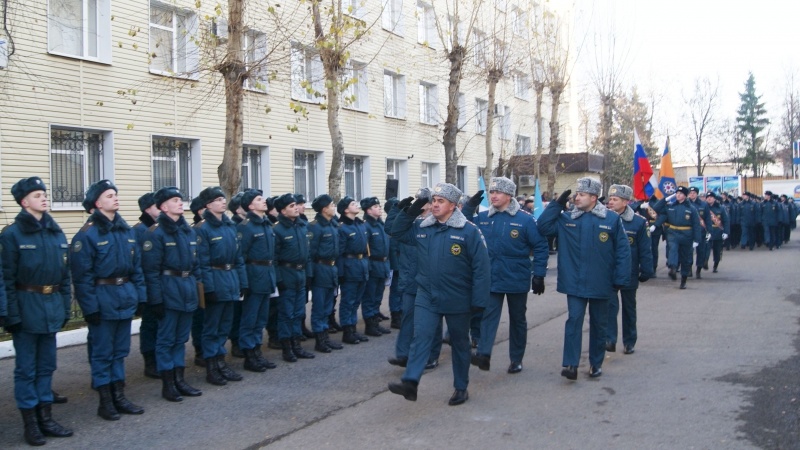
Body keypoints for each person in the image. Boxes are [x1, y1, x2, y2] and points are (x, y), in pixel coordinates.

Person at [388, 183, 490, 406]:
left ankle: (461, 387)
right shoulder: (423, 227)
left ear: (453, 205)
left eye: (440, 201)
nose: (434, 204)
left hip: (458, 297)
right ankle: (411, 382)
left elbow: (481, 270)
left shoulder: (469, 231)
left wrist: (479, 303)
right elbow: (396, 231)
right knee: (421, 337)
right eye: (433, 200)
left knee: (460, 344)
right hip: (426, 295)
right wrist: (414, 209)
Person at [1, 177, 73, 445]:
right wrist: (10, 314)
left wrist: (65, 306)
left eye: (44, 194)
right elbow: (5, 278)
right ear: (24, 202)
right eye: (37, 195)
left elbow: (64, 277)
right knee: (26, 369)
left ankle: (46, 417)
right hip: (26, 307)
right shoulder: (12, 235)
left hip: (51, 306)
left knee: (46, 367)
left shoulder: (55, 232)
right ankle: (30, 423)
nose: (44, 198)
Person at [537, 177, 631, 380]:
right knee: (574, 320)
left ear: (594, 197)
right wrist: (556, 204)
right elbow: (543, 227)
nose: (576, 198)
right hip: (574, 281)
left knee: (599, 324)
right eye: (576, 194)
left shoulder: (611, 219)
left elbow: (623, 251)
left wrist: (620, 279)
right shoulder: (567, 218)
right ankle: (570, 364)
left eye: (581, 195)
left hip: (601, 281)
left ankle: (595, 363)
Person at [71, 180, 146, 420]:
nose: (115, 198)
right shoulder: (87, 235)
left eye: (116, 194)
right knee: (103, 353)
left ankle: (119, 396)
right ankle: (105, 401)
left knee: (120, 351)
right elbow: (82, 277)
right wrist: (90, 308)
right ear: (97, 203)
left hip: (124, 295)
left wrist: (140, 297)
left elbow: (137, 269)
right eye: (109, 195)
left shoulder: (126, 231)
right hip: (103, 299)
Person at [462, 177, 549, 374]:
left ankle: (516, 359)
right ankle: (484, 354)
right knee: (488, 316)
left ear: (509, 195)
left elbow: (541, 246)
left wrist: (539, 274)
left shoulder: (525, 219)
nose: (493, 196)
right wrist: (470, 206)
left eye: (498, 192)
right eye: (491, 192)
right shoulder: (484, 218)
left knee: (517, 319)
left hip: (516, 277)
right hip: (492, 277)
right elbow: (463, 224)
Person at [141, 186, 203, 402]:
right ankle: (168, 384)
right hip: (169, 290)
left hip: (187, 288)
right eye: (175, 200)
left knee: (180, 338)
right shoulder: (156, 233)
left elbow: (195, 265)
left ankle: (180, 379)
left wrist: (197, 287)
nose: (180, 203)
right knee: (166, 339)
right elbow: (151, 271)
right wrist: (155, 299)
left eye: (180, 199)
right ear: (164, 207)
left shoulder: (188, 231)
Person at [195, 186, 248, 384]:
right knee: (212, 327)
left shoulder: (229, 227)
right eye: (217, 199)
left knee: (224, 326)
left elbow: (238, 257)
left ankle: (221, 363)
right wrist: (208, 289)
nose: (222, 202)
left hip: (230, 279)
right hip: (215, 280)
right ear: (208, 205)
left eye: (222, 198)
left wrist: (242, 282)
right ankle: (211, 366)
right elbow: (202, 262)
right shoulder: (202, 229)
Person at [387, 189, 443, 371]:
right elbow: (393, 230)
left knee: (431, 321)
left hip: (430, 280)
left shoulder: (437, 224)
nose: (428, 204)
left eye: (426, 201)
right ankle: (403, 354)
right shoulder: (414, 224)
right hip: (411, 279)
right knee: (408, 318)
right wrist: (401, 211)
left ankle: (432, 356)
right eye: (422, 201)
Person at [604, 185, 653, 355]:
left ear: (626, 202)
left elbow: (645, 249)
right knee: (610, 306)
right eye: (610, 199)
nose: (610, 202)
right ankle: (610, 339)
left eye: (615, 199)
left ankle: (629, 341)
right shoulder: (604, 218)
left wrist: (647, 269)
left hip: (630, 271)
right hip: (609, 271)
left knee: (629, 307)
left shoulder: (639, 222)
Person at [236, 189, 279, 371]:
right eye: (259, 199)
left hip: (267, 275)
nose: (264, 202)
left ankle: (256, 352)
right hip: (254, 276)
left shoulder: (266, 224)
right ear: (250, 205)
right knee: (250, 318)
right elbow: (241, 256)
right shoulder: (246, 227)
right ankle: (249, 354)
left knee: (261, 318)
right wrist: (244, 282)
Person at [272, 193, 316, 361]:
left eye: (295, 205)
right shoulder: (277, 230)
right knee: (286, 314)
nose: (296, 208)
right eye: (291, 206)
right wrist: (279, 280)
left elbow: (308, 254)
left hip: (301, 274)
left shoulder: (301, 227)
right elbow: (274, 258)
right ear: (283, 211)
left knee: (299, 312)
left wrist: (309, 275)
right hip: (287, 274)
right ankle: (287, 348)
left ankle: (297, 345)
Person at [306, 194, 344, 352]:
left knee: (328, 304)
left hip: (332, 268)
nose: (334, 207)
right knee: (320, 305)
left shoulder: (332, 225)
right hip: (320, 269)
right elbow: (310, 253)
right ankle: (319, 339)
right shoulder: (315, 227)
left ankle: (325, 336)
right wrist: (310, 275)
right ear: (324, 209)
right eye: (331, 205)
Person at [133, 192, 161, 379]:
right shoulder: (138, 230)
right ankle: (150, 361)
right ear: (147, 209)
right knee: (150, 323)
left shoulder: (160, 228)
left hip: (161, 282)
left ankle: (159, 357)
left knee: (161, 323)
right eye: (156, 205)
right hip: (147, 282)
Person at [651, 186, 702, 289]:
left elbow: (696, 225)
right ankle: (673, 268)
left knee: (685, 258)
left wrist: (697, 240)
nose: (678, 195)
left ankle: (683, 279)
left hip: (686, 235)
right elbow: (656, 208)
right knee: (672, 249)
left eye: (680, 193)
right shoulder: (670, 206)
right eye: (677, 193)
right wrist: (666, 199)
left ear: (685, 196)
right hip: (673, 233)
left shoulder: (691, 208)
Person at [336, 196, 371, 344]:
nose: (357, 205)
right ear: (345, 210)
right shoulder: (342, 227)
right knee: (348, 301)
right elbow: (339, 252)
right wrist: (341, 273)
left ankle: (353, 329)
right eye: (353, 204)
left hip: (361, 264)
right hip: (349, 266)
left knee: (356, 301)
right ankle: (347, 331)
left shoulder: (361, 225)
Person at [360, 196, 392, 337]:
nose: (379, 208)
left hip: (383, 264)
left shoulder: (380, 224)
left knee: (378, 296)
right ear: (368, 210)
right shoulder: (366, 226)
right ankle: (370, 325)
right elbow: (364, 249)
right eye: (375, 207)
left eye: (379, 206)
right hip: (373, 264)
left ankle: (375, 322)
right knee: (370, 296)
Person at [227, 192, 246, 358]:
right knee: (236, 312)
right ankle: (235, 342)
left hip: (242, 272)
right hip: (235, 273)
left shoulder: (244, 224)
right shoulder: (235, 225)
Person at [189, 196, 207, 368]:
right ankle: (200, 350)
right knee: (200, 318)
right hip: (199, 279)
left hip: (208, 276)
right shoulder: (195, 229)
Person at [687, 187, 710, 278]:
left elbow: (708, 219)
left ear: (697, 194)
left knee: (701, 252)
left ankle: (698, 270)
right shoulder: (686, 204)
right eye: (690, 193)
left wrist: (709, 231)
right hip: (689, 232)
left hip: (701, 232)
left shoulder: (703, 205)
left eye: (694, 193)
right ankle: (689, 269)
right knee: (688, 252)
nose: (692, 194)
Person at [703, 192, 729, 273]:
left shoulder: (720, 208)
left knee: (717, 250)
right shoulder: (703, 207)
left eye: (711, 197)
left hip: (718, 231)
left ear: (714, 198)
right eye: (708, 197)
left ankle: (715, 265)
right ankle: (705, 261)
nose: (709, 198)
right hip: (707, 231)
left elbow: (726, 220)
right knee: (706, 248)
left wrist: (726, 232)